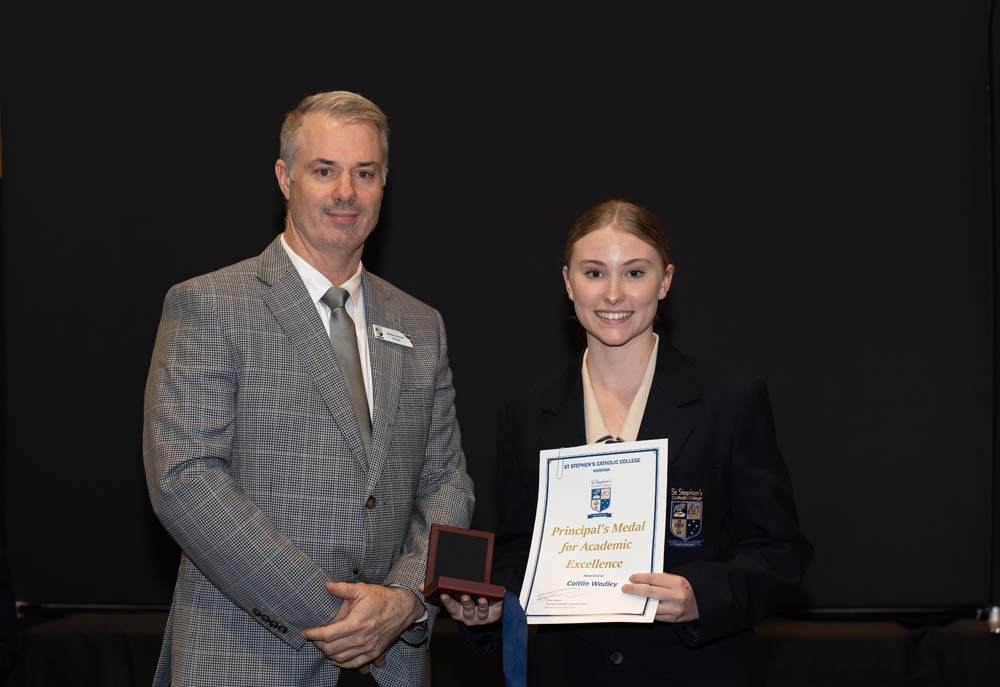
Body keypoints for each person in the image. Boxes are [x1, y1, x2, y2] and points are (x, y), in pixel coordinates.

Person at [143, 91, 475, 687]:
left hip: (391, 663)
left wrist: (402, 603)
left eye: (364, 173)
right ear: (284, 178)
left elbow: (447, 485)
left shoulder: (421, 325)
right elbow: (186, 484)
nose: (345, 192)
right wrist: (341, 621)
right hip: (250, 658)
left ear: (383, 185)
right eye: (325, 170)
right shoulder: (210, 304)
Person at [442, 200, 812, 685]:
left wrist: (701, 595)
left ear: (665, 281)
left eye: (634, 272)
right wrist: (491, 607)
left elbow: (781, 553)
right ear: (568, 282)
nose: (613, 294)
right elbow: (520, 554)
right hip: (570, 671)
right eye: (594, 273)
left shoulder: (729, 402)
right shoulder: (527, 412)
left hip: (695, 671)